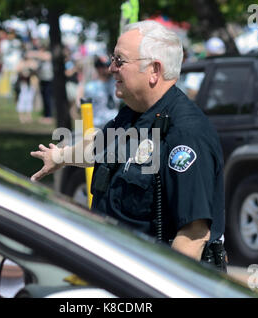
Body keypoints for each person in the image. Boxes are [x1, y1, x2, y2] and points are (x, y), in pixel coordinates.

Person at [30, 21, 226, 270]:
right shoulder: (133, 115)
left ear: (154, 70)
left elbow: (193, 234)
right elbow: (99, 149)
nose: (111, 68)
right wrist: (60, 156)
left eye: (120, 61)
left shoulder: (186, 134)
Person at [79, 55, 121, 128]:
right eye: (104, 66)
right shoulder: (90, 87)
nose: (108, 68)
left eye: (109, 65)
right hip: (98, 125)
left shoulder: (116, 83)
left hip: (115, 124)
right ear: (98, 68)